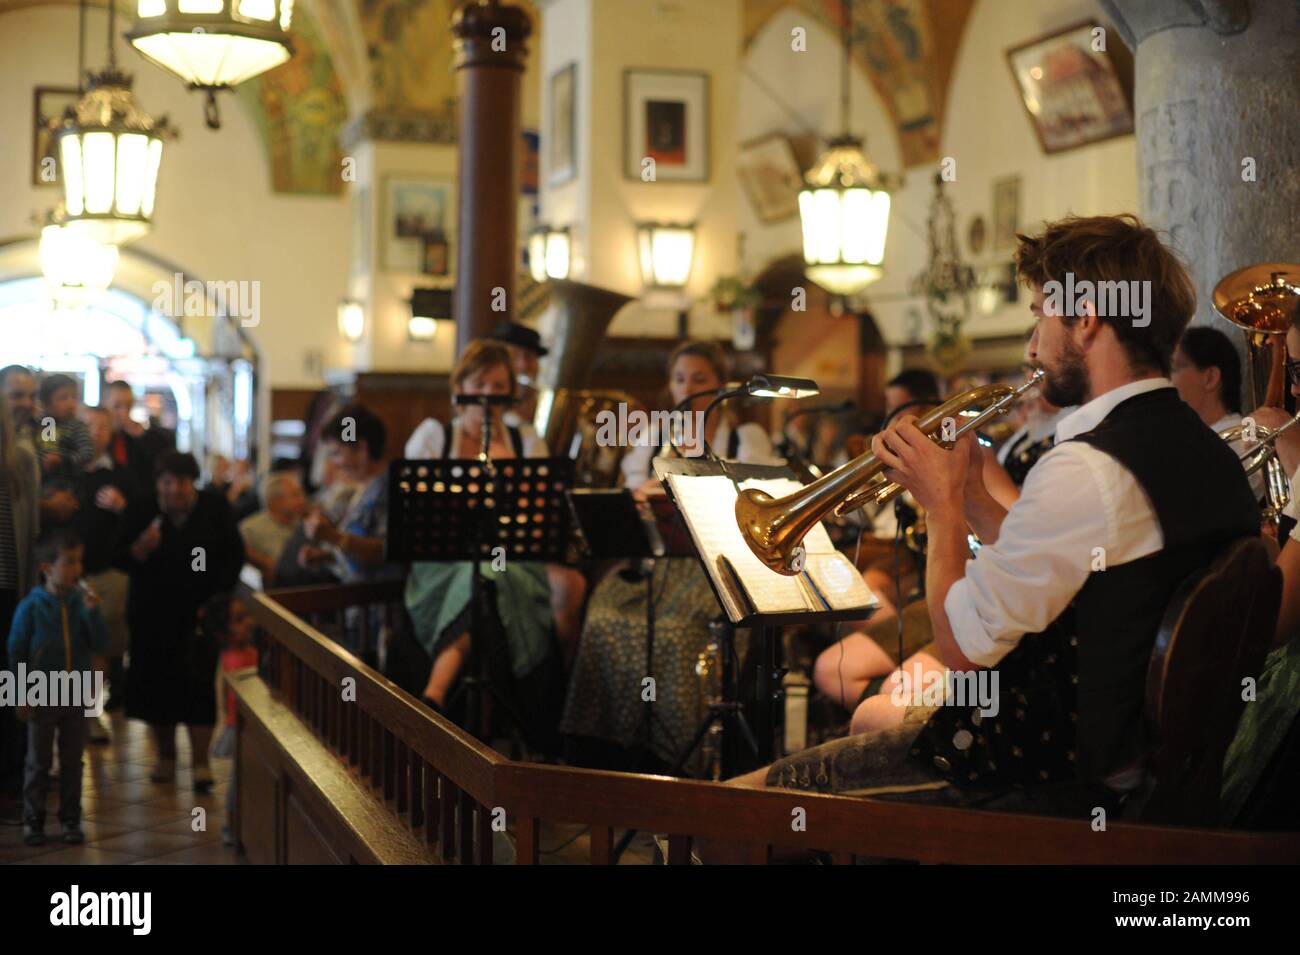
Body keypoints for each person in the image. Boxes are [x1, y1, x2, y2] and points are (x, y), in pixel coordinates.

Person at [718, 215, 1259, 826]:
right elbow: (1074, 575)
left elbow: (962, 648)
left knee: (738, 811)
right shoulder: (1205, 452)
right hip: (1131, 767)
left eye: (1039, 316)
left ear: (1084, 319)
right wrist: (973, 493)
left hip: (1044, 778)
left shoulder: (1087, 468)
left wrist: (942, 506)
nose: (1033, 345)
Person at [561, 339, 779, 770]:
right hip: (654, 564)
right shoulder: (654, 435)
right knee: (604, 617)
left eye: (700, 379)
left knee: (678, 632)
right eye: (680, 379)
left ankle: (678, 755)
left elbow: (758, 501)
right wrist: (641, 500)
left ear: (720, 385)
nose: (688, 388)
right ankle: (613, 749)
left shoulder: (744, 436)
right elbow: (630, 502)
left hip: (714, 568)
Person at [402, 341, 566, 736]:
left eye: (499, 385)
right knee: (479, 577)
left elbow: (542, 514)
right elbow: (412, 511)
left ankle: (436, 695)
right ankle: (485, 718)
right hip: (441, 560)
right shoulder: (434, 437)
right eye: (481, 383)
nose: (490, 395)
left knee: (491, 573)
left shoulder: (526, 440)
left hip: (513, 557)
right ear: (461, 386)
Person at [117, 452, 245, 790]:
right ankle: (166, 758)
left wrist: (217, 598)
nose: (175, 489)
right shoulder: (142, 509)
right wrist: (142, 548)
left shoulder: (214, 508)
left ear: (193, 482)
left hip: (199, 614)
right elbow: (119, 557)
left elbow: (233, 555)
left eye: (183, 481)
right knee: (158, 685)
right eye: (167, 482)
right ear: (158, 483)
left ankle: (201, 764)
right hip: (151, 614)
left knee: (199, 686)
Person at [7, 531, 109, 846]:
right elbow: (16, 650)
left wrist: (94, 614)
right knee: (38, 760)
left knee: (72, 760)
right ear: (46, 567)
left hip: (75, 693)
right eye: (69, 562)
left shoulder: (82, 604)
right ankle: (34, 819)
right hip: (40, 691)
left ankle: (70, 818)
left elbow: (100, 643)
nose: (77, 570)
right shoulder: (31, 606)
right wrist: (17, 693)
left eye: (79, 562)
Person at [73, 405, 133, 738]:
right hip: (67, 574)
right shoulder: (66, 472)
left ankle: (91, 713)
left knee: (103, 647)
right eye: (89, 426)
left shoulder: (121, 475)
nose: (95, 432)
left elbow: (138, 521)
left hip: (109, 573)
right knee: (70, 646)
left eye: (102, 427)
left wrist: (122, 507)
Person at [0, 388, 40, 820]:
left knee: (13, 683)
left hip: (12, 588)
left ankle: (13, 778)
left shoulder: (22, 459)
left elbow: (31, 529)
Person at [203, 592, 258, 845]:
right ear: (223, 634)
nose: (248, 622)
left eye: (246, 616)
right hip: (243, 727)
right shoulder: (236, 661)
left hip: (249, 726)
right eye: (239, 619)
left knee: (247, 780)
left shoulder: (250, 651)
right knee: (240, 783)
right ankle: (232, 828)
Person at [105, 379, 174, 494]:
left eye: (128, 406)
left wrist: (143, 437)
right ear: (105, 405)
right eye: (117, 406)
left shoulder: (137, 437)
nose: (124, 413)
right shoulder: (97, 437)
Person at [238, 471, 307, 587]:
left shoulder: (303, 525)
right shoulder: (249, 529)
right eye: (295, 495)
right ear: (274, 501)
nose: (302, 500)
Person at [486, 318, 549, 433]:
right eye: (514, 356)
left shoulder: (546, 404)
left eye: (529, 357)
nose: (523, 365)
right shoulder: (487, 407)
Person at [34, 374, 93, 491]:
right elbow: (46, 450)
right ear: (46, 404)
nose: (71, 403)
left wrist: (62, 459)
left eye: (74, 397)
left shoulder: (77, 426)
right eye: (63, 398)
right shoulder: (47, 423)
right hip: (41, 483)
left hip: (69, 484)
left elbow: (87, 453)